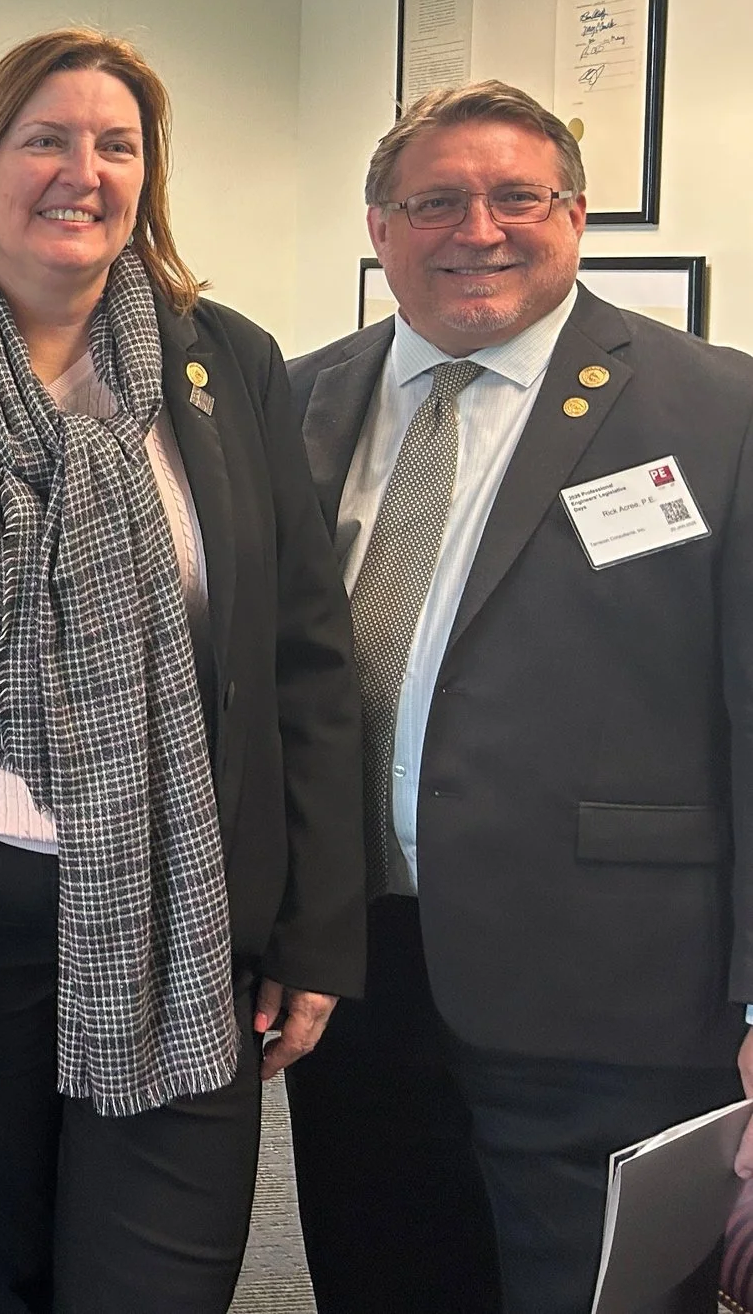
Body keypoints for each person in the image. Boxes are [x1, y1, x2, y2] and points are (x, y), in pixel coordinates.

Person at [0, 28, 362, 1314]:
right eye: (44, 138)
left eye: (117, 145)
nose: (82, 170)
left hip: (185, 902)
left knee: (156, 1275)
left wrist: (314, 931)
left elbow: (302, 661)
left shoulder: (224, 365)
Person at [283, 80, 753, 1314]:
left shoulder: (719, 411)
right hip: (354, 972)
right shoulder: (297, 400)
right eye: (434, 201)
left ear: (577, 215)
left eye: (515, 197)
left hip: (613, 982)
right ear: (379, 228)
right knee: (380, 1274)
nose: (475, 230)